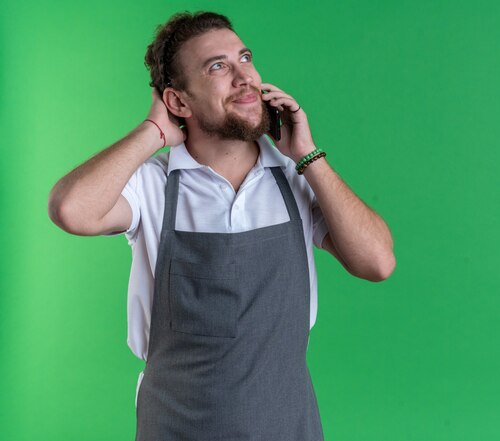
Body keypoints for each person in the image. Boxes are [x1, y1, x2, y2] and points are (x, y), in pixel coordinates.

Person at [48, 10, 395, 441]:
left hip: (286, 426)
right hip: (175, 428)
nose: (244, 76)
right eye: (218, 66)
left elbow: (378, 262)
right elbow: (70, 210)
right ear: (178, 101)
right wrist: (154, 130)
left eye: (245, 58)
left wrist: (308, 156)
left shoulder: (295, 181)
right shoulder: (153, 186)